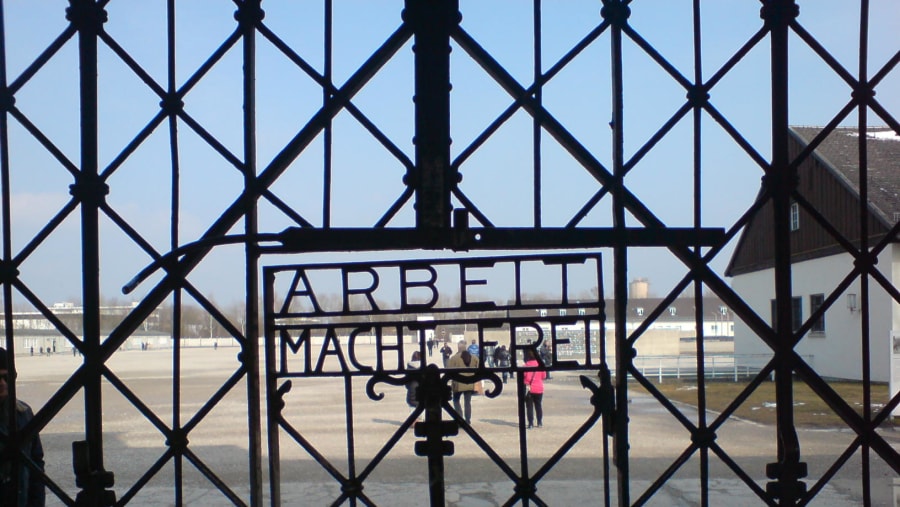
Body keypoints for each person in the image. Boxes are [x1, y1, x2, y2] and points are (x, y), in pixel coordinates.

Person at [0, 347, 45, 506]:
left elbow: (36, 462)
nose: (2, 383)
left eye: (7, 377)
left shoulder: (23, 413)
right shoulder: (23, 413)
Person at [448, 340, 478, 425]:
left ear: (458, 347)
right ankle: (467, 420)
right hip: (469, 383)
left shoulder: (454, 358)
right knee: (467, 402)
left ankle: (459, 418)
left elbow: (449, 370)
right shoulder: (473, 357)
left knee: (456, 400)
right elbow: (478, 367)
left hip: (458, 383)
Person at [523, 349, 546, 429]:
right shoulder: (540, 364)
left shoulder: (526, 365)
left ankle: (530, 423)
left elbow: (523, 377)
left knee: (529, 407)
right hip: (539, 387)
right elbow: (544, 376)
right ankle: (539, 422)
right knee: (538, 405)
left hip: (529, 388)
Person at [405, 351, 422, 420]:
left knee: (412, 406)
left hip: (411, 389)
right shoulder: (423, 367)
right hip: (421, 390)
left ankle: (413, 420)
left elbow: (406, 382)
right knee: (421, 405)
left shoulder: (409, 368)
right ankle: (420, 419)